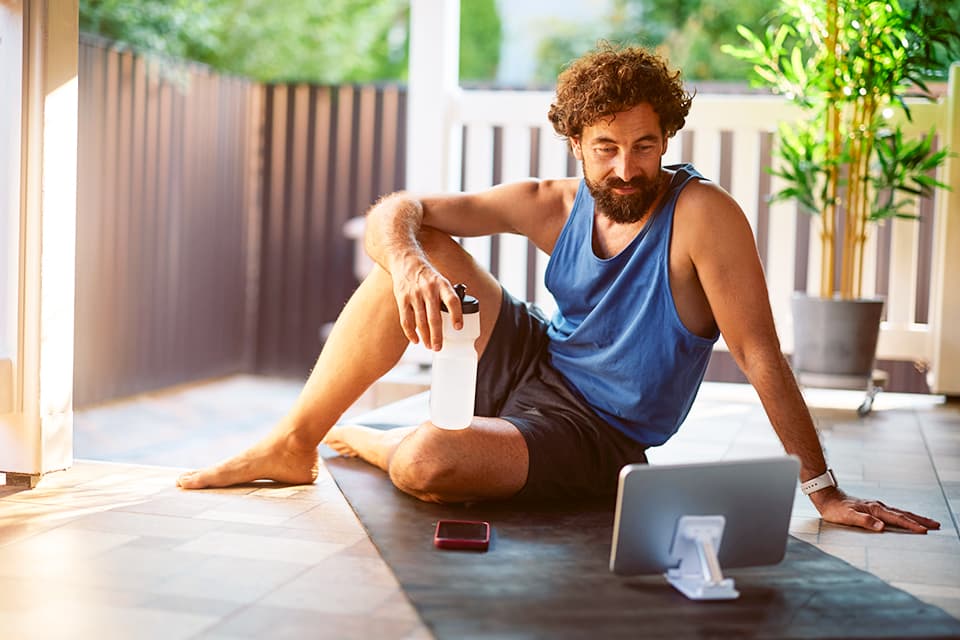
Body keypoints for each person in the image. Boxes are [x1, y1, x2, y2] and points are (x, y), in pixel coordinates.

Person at [178, 43, 939, 534]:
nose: (625, 168)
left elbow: (761, 353)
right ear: (576, 142)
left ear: (666, 138)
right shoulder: (552, 202)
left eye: (644, 145)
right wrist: (409, 265)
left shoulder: (704, 218)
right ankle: (295, 441)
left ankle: (378, 443)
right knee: (419, 248)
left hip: (599, 431)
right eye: (605, 148)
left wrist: (824, 488)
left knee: (427, 467)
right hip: (536, 358)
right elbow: (399, 211)